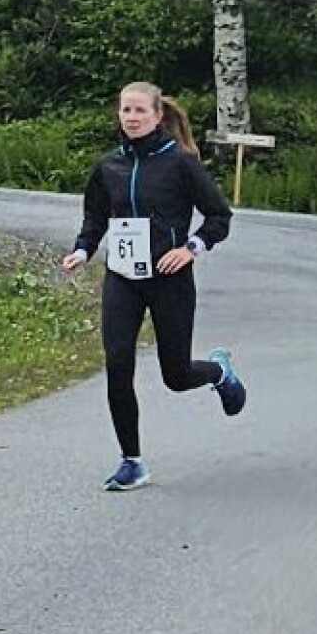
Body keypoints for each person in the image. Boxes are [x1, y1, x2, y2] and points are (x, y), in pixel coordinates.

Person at [61, 81, 246, 491]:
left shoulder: (181, 163)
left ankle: (219, 372)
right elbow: (95, 219)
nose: (131, 118)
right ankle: (132, 461)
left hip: (169, 280)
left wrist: (191, 248)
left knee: (176, 376)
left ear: (158, 116)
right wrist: (81, 250)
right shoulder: (108, 166)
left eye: (140, 111)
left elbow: (219, 216)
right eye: (125, 111)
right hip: (123, 279)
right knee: (118, 363)